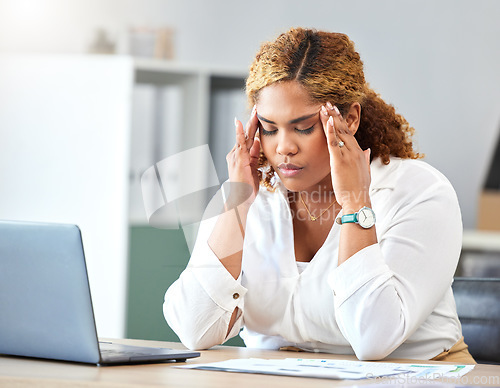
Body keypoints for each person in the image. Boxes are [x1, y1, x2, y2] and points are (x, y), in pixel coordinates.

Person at [163, 27, 475, 363]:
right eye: (269, 128)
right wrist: (238, 202)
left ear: (350, 118)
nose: (283, 147)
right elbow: (195, 329)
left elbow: (373, 338)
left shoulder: (418, 192)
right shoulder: (248, 196)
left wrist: (356, 203)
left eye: (303, 127)